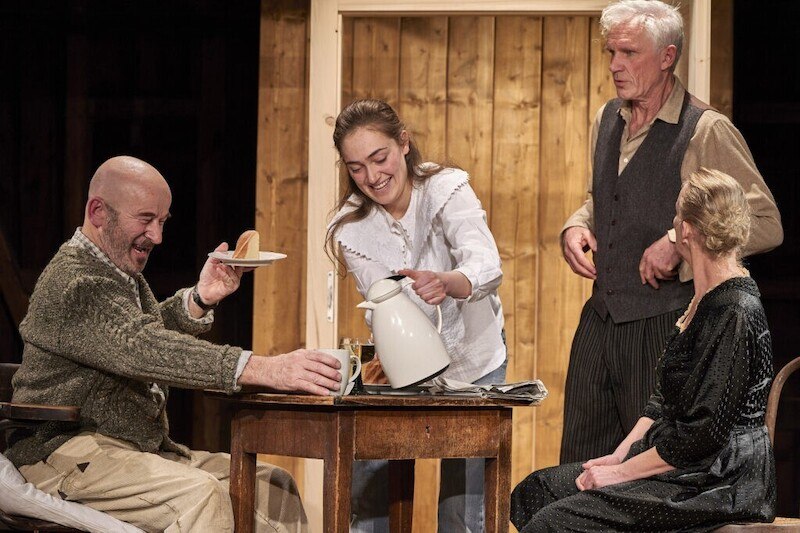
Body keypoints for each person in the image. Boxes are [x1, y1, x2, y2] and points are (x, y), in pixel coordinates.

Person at [6, 155, 344, 532]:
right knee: (201, 495)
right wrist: (267, 368)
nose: (157, 236)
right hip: (65, 453)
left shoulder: (115, 270)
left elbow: (133, 336)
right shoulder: (76, 280)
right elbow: (139, 346)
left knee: (272, 486)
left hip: (132, 449)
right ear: (98, 212)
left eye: (162, 222)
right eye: (146, 219)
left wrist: (200, 298)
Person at [559, 0, 783, 463]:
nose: (615, 65)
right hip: (599, 322)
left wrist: (679, 242)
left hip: (663, 328)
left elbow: (765, 222)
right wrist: (578, 224)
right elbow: (604, 198)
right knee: (580, 467)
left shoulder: (705, 130)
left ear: (667, 56)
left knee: (645, 472)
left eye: (629, 53)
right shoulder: (608, 119)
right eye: (611, 53)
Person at [511, 167, 777, 532]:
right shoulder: (703, 299)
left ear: (685, 229)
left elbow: (701, 438)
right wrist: (617, 456)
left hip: (719, 479)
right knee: (537, 490)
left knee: (554, 522)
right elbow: (661, 401)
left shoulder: (734, 310)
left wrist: (620, 474)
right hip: (684, 463)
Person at [325, 99, 506, 532]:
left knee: (463, 510)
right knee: (367, 487)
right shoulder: (351, 227)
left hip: (473, 364)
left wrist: (447, 282)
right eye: (356, 168)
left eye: (379, 158)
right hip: (405, 368)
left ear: (403, 143)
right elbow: (381, 305)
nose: (371, 177)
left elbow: (485, 264)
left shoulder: (447, 188)